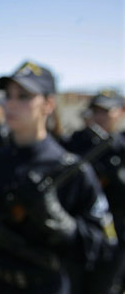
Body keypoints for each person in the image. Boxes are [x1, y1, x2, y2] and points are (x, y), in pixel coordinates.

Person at [0, 61, 117, 294]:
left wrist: (60, 222)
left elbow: (104, 246)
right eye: (8, 95)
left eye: (24, 96)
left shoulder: (71, 170)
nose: (11, 103)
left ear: (48, 104)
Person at [63, 89, 125, 293]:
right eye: (96, 111)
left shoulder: (121, 146)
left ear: (121, 112)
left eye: (106, 111)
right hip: (80, 231)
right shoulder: (79, 141)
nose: (99, 117)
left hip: (116, 232)